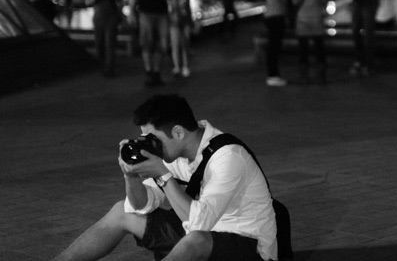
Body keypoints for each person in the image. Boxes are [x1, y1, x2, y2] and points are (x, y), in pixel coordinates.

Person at [47, 94, 282, 261]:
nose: (149, 144)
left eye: (152, 138)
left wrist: (163, 174)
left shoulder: (227, 157)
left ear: (178, 132)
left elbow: (200, 225)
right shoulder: (175, 153)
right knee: (122, 211)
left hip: (249, 246)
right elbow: (140, 206)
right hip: (202, 231)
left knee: (195, 240)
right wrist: (131, 176)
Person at [130, 0, 177, 88]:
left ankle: (156, 72)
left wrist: (174, 9)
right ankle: (149, 72)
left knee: (162, 44)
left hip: (161, 12)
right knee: (147, 42)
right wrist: (132, 10)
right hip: (145, 11)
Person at [291, 0, 328, 85]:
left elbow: (295, 2)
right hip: (316, 19)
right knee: (319, 49)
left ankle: (304, 76)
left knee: (303, 50)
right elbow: (324, 0)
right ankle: (321, 75)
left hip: (302, 21)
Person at [88, 0, 123, 77]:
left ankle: (110, 68)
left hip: (111, 17)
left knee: (110, 43)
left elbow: (119, 2)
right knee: (99, 43)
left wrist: (120, 13)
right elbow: (88, 2)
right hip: (99, 17)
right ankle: (102, 66)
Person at [263, 0, 291, 87]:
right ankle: (273, 75)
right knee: (274, 46)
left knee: (273, 45)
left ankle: (273, 74)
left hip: (272, 14)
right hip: (275, 15)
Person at [170, 0, 193, 79]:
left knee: (185, 43)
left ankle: (185, 66)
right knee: (175, 44)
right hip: (174, 18)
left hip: (186, 17)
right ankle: (177, 66)